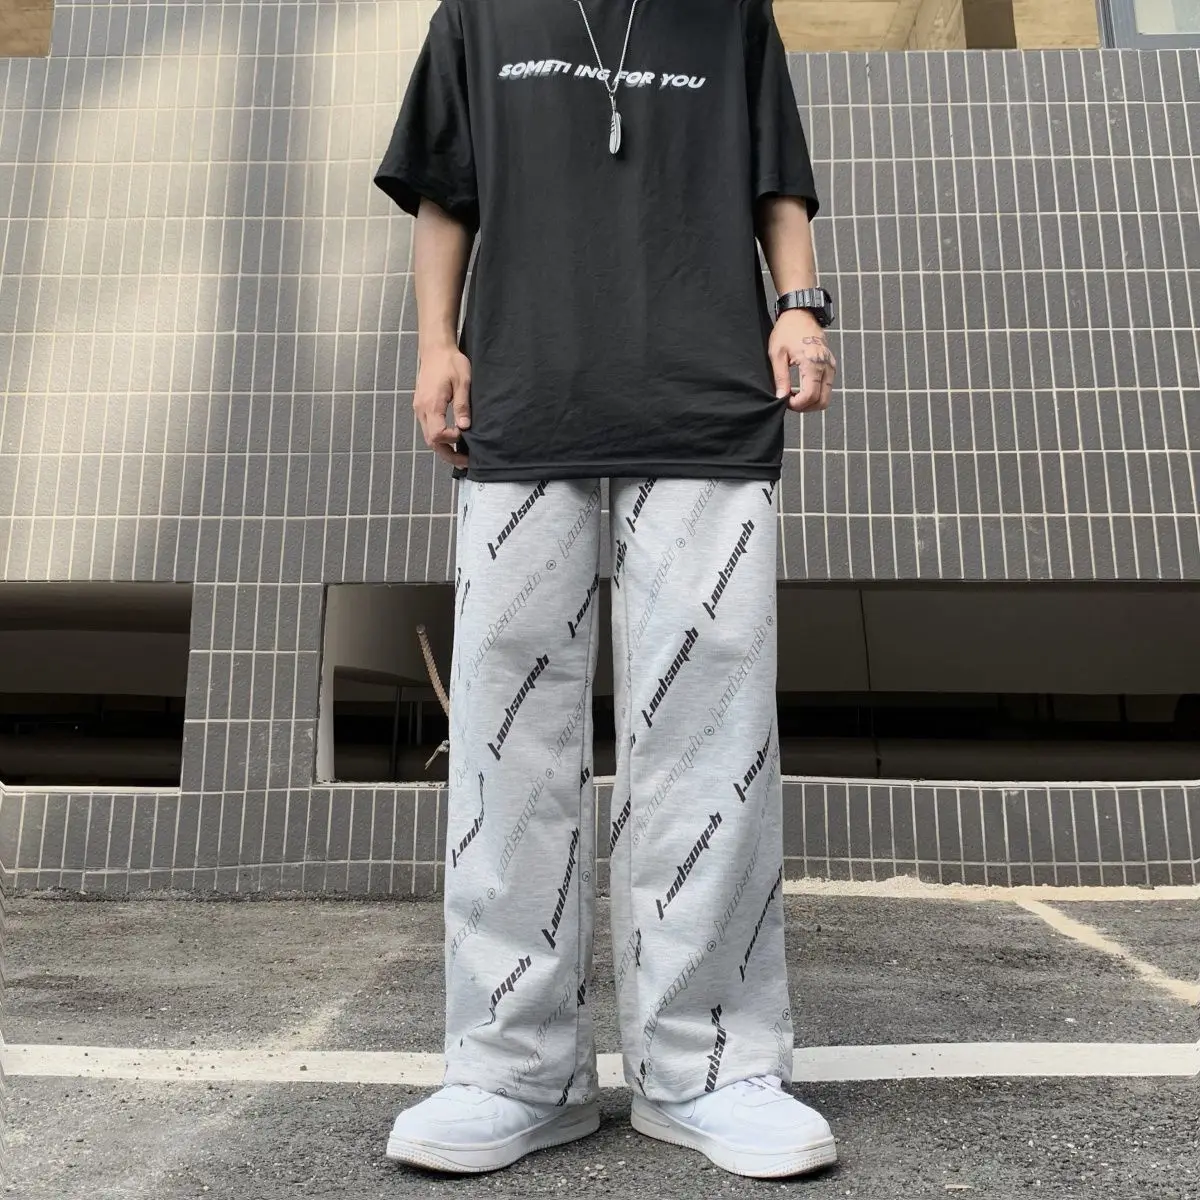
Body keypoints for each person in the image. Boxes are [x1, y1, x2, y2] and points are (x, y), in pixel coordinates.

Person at [373, 0, 839, 1180]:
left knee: (711, 733)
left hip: (704, 400)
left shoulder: (727, 12)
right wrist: (436, 344)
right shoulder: (480, 12)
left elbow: (777, 183)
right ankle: (511, 1070)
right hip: (523, 399)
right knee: (506, 739)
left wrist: (800, 307)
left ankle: (710, 1067)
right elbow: (445, 193)